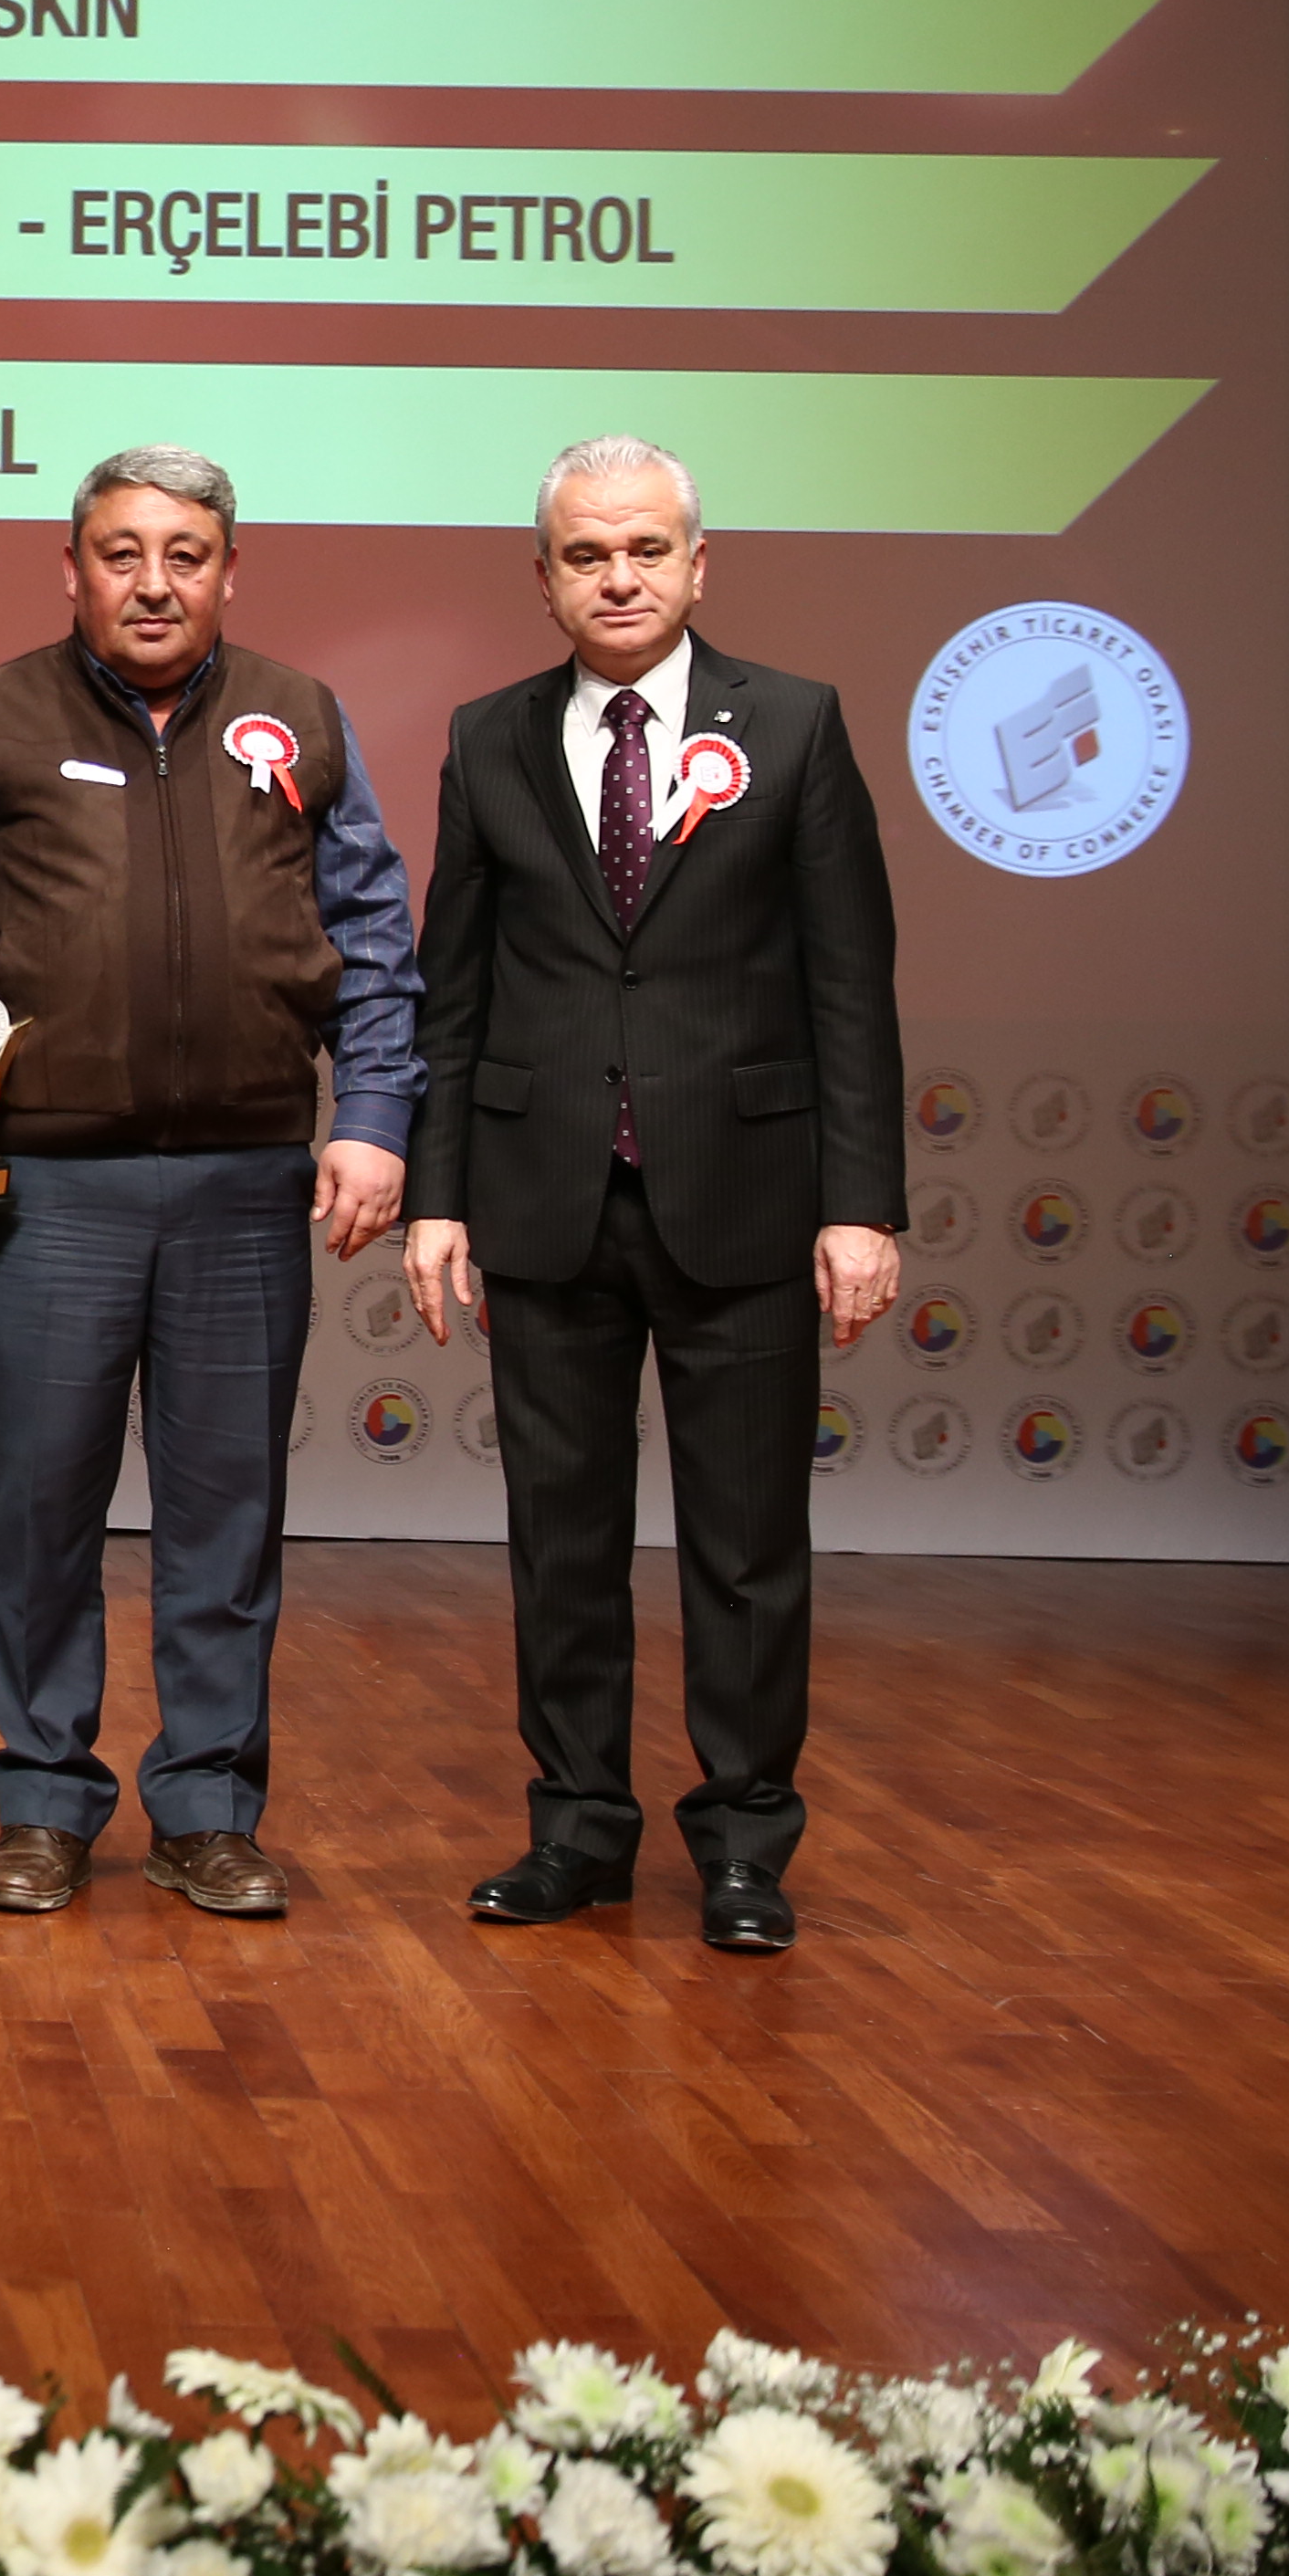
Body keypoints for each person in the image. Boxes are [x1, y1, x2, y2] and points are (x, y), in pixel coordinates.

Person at [0, 446, 421, 1920]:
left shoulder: (302, 717)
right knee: (41, 1515)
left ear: (229, 571)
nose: (152, 583)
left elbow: (374, 937)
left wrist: (376, 1114)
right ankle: (43, 1804)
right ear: (70, 568)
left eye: (185, 555)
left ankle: (209, 1809)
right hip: (47, 1190)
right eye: (120, 553)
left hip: (249, 1185)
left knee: (225, 1524)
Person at [397, 435, 902, 1954]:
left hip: (745, 1199)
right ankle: (577, 1830)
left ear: (697, 563)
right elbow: (451, 990)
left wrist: (862, 1204)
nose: (618, 577)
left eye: (645, 550)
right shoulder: (489, 738)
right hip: (544, 1198)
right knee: (561, 1541)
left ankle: (744, 1844)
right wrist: (437, 1196)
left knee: (746, 1546)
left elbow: (850, 982)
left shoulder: (795, 726)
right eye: (586, 555)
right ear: (544, 578)